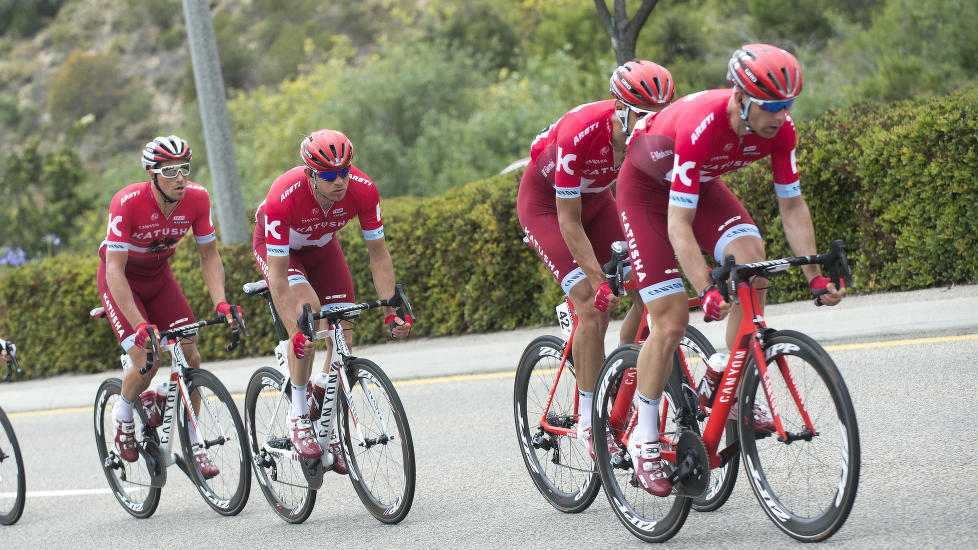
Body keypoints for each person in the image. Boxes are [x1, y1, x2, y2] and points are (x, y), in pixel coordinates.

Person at [615, 44, 846, 496]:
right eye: (772, 105)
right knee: (671, 319)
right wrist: (705, 285)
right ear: (741, 98)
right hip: (644, 191)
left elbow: (792, 204)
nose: (781, 114)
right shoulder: (705, 126)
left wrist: (814, 276)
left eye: (788, 104)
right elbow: (678, 222)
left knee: (753, 264)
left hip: (694, 186)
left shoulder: (782, 133)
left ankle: (721, 371)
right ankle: (644, 437)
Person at [516, 60, 676, 459]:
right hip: (547, 210)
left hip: (598, 201)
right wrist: (600, 282)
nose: (649, 122)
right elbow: (569, 222)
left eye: (657, 114)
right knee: (591, 305)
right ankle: (589, 423)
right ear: (619, 107)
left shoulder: (655, 136)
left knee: (650, 288)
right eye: (640, 114)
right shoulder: (582, 131)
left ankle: (625, 367)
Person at [253, 129, 412, 468]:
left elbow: (379, 254)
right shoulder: (284, 195)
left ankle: (326, 419)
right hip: (282, 254)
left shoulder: (363, 190)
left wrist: (390, 311)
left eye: (345, 171)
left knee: (342, 334)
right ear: (311, 175)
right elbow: (279, 277)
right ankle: (297, 413)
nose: (340, 181)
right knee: (309, 316)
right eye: (328, 175)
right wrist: (296, 332)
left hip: (323, 249)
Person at [97, 135, 244, 479]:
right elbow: (114, 269)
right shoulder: (127, 202)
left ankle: (192, 444)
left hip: (159, 277)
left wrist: (220, 301)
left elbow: (209, 255)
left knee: (191, 356)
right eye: (171, 170)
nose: (181, 178)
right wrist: (138, 323)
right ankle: (122, 416)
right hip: (122, 281)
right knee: (147, 360)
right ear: (153, 173)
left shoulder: (197, 198)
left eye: (185, 169)